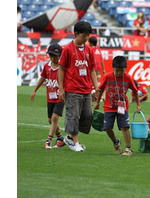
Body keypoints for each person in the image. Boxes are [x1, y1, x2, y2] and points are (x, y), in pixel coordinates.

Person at [58, 21, 99, 152]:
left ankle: (70, 137)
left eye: (88, 35)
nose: (86, 38)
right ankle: (75, 143)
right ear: (76, 34)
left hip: (86, 89)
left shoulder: (89, 50)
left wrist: (96, 87)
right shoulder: (67, 49)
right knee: (73, 115)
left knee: (87, 116)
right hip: (72, 88)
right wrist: (61, 88)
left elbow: (92, 70)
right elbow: (61, 69)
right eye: (84, 35)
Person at [94, 56, 141, 156]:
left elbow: (135, 92)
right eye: (117, 70)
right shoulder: (107, 76)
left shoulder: (128, 78)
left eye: (122, 70)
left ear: (126, 68)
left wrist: (138, 105)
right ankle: (116, 142)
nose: (119, 73)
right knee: (107, 128)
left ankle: (128, 149)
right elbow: (101, 89)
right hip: (109, 107)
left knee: (125, 127)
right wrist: (98, 102)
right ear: (112, 67)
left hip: (122, 107)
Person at [31, 43, 65, 149]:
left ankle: (49, 140)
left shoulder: (63, 67)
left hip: (60, 97)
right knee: (50, 120)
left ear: (60, 55)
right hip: (50, 97)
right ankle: (60, 139)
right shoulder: (47, 66)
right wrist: (34, 90)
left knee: (55, 118)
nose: (53, 58)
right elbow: (42, 78)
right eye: (51, 55)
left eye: (55, 55)